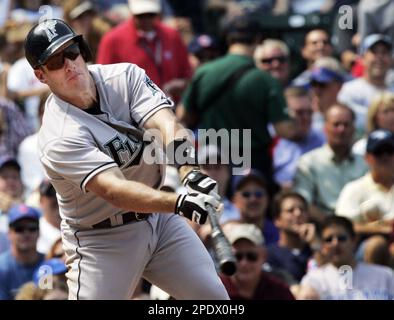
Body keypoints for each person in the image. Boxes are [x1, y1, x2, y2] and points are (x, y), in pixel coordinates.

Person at [25, 19, 228, 300]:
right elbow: (114, 191)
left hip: (159, 219)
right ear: (41, 75)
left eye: (71, 51)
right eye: (56, 61)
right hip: (101, 240)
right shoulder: (57, 134)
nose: (69, 64)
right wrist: (179, 203)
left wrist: (189, 171)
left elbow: (167, 124)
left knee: (214, 299)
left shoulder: (124, 76)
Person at [178, 15, 297, 183]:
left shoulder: (204, 72)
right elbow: (284, 130)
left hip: (213, 163)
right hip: (252, 162)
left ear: (228, 38)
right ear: (257, 39)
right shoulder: (265, 79)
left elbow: (183, 116)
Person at [96, 0, 192, 103]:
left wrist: (180, 84)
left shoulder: (172, 36)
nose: (146, 20)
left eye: (151, 15)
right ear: (132, 14)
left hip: (172, 104)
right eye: (141, 16)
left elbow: (187, 74)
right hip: (132, 110)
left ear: (158, 14)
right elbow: (103, 81)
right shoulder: (113, 40)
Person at [293, 104, 368, 221]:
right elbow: (304, 202)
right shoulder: (308, 162)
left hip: (362, 225)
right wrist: (333, 225)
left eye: (346, 125)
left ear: (354, 128)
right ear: (325, 127)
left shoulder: (365, 162)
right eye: (336, 124)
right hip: (323, 227)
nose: (341, 129)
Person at [298, 216, 394, 300]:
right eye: (329, 240)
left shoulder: (385, 275)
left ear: (354, 241)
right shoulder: (313, 280)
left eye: (341, 238)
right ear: (322, 246)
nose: (335, 244)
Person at [336, 129, 394, 235]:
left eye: (389, 151)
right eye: (378, 152)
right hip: (368, 244)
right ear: (367, 158)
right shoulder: (353, 188)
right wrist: (379, 228)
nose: (385, 157)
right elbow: (341, 227)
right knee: (376, 244)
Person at [220, 222, 295, 300]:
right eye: (237, 257)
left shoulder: (279, 292)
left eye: (252, 256)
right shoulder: (215, 288)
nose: (244, 263)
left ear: (264, 257)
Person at [337, 34, 394, 137]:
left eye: (384, 52)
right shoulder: (349, 90)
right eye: (374, 52)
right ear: (362, 58)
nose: (379, 58)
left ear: (391, 59)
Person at [273, 86, 325, 189]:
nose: (306, 118)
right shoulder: (266, 138)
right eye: (299, 113)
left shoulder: (323, 140)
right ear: (282, 113)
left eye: (309, 112)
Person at [267, 191, 321, 283]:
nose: (298, 213)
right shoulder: (268, 255)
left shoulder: (316, 249)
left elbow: (328, 278)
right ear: (277, 220)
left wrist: (316, 245)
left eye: (302, 209)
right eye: (290, 210)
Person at [0, 204, 44, 300]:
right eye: (19, 229)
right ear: (9, 233)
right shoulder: (1, 268)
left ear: (39, 231)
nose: (26, 233)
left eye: (32, 228)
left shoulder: (47, 265)